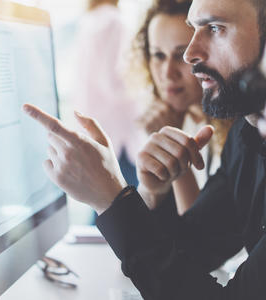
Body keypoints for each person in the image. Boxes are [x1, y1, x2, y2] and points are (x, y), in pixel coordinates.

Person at [23, 0, 266, 298]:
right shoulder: (246, 135)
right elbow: (191, 251)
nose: (191, 55)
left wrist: (112, 200)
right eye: (194, 29)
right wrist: (154, 192)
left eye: (215, 28)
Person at [131, 0, 233, 215]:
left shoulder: (238, 127)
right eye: (158, 55)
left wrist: (177, 161)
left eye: (180, 55)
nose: (168, 73)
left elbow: (202, 235)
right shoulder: (171, 117)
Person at [70, 0, 140, 186]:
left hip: (93, 128)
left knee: (102, 197)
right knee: (125, 198)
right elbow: (114, 81)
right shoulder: (114, 22)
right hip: (118, 133)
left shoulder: (87, 22)